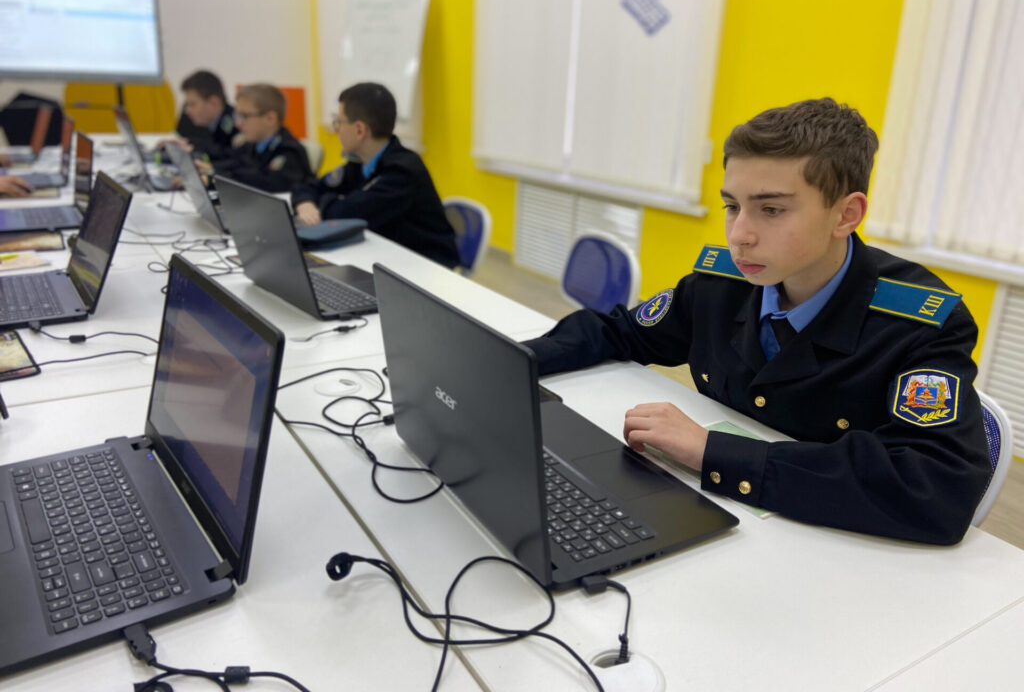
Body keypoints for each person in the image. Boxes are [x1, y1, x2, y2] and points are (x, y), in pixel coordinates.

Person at [524, 97, 990, 546]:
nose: (739, 235)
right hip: (717, 521)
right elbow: (620, 331)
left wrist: (712, 451)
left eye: (771, 210)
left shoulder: (918, 323)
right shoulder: (724, 282)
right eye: (732, 206)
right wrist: (515, 359)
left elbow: (938, 489)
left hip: (829, 554)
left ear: (846, 215)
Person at [292, 82, 459, 269]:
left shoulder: (402, 172)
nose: (337, 129)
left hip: (426, 267)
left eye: (339, 122)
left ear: (360, 130)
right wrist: (305, 202)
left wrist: (322, 201)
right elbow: (309, 186)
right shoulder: (359, 162)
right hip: (387, 254)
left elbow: (344, 215)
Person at [199, 83, 314, 194]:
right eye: (237, 115)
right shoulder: (251, 144)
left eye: (244, 116)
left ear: (270, 119)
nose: (238, 123)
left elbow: (265, 184)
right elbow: (235, 163)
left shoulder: (289, 151)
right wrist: (212, 168)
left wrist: (216, 176)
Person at [173, 70, 239, 161]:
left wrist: (195, 148)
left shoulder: (236, 125)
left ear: (214, 103)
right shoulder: (208, 122)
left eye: (192, 104)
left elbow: (231, 156)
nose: (187, 110)